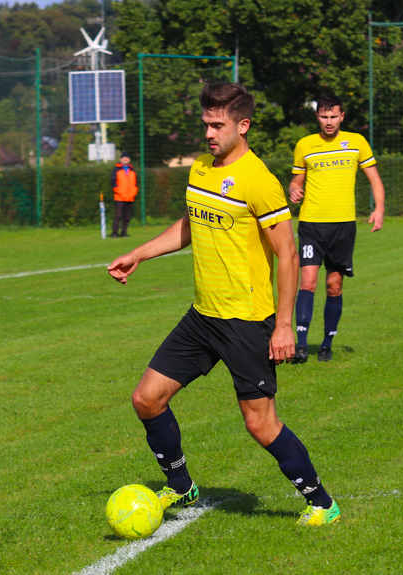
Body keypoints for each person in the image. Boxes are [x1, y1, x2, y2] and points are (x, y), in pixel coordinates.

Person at [108, 82, 340, 526]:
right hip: (202, 316)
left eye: (218, 125)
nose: (209, 133)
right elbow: (190, 225)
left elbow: (287, 256)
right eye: (206, 124)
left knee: (260, 424)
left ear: (243, 125)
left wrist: (284, 325)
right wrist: (138, 253)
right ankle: (181, 488)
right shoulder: (199, 169)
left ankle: (322, 503)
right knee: (146, 399)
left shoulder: (260, 182)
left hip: (247, 322)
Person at [289, 94, 385, 363]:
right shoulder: (305, 145)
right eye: (324, 116)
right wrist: (295, 190)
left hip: (343, 225)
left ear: (342, 117)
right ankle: (302, 345)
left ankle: (327, 344)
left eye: (333, 116)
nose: (328, 121)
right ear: (317, 117)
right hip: (311, 224)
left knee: (334, 285)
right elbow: (296, 180)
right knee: (307, 281)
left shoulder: (356, 142)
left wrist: (379, 209)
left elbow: (375, 180)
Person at [110, 151, 139, 238]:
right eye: (124, 158)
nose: (125, 159)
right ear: (121, 159)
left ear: (129, 159)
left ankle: (124, 233)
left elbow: (136, 183)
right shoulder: (116, 170)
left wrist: (134, 192)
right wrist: (119, 191)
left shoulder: (132, 170)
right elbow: (113, 182)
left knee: (127, 217)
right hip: (119, 197)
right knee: (118, 216)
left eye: (127, 158)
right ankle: (114, 233)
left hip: (130, 197)